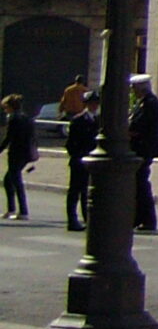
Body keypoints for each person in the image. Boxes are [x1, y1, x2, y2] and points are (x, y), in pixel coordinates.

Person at [129, 73, 158, 233]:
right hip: (140, 148)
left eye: (134, 89)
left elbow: (139, 126)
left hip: (143, 148)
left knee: (141, 185)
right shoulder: (142, 103)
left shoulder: (150, 104)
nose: (133, 92)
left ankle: (147, 220)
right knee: (137, 185)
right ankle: (137, 218)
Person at [62, 89, 97, 230]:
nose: (94, 106)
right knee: (75, 191)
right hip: (79, 161)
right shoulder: (78, 120)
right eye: (91, 103)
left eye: (95, 103)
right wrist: (77, 156)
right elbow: (70, 143)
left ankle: (88, 219)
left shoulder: (99, 120)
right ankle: (72, 220)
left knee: (87, 192)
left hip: (92, 161)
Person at [1, 94, 33, 219]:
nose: (5, 110)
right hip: (25, 154)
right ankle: (12, 210)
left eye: (5, 107)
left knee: (15, 181)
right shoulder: (26, 118)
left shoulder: (13, 119)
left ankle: (22, 211)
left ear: (11, 107)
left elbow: (8, 138)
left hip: (15, 153)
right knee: (9, 181)